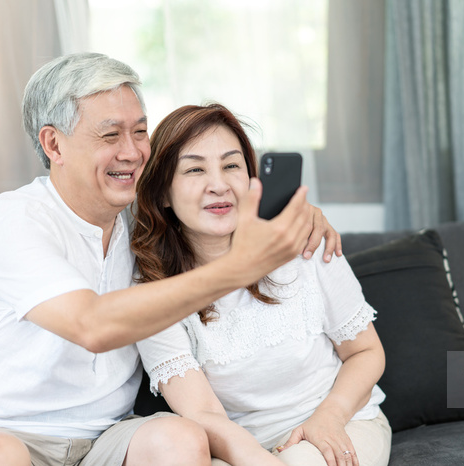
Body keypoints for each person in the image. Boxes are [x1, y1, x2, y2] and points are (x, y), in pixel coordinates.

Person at [0, 53, 341, 466]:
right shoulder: (19, 218)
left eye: (140, 132)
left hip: (102, 439)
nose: (132, 152)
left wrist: (301, 217)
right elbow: (90, 324)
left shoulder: (141, 221)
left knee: (179, 438)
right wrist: (236, 269)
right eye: (110, 135)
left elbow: (212, 214)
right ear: (53, 144)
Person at [132, 103, 392, 466]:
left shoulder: (304, 244)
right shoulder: (152, 291)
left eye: (231, 165)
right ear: (162, 194)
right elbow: (202, 411)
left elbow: (366, 352)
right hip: (241, 448)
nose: (219, 185)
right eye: (194, 169)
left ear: (252, 180)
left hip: (340, 423)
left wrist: (329, 416)